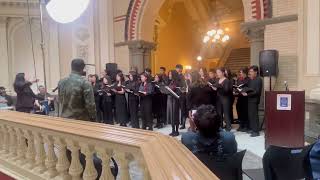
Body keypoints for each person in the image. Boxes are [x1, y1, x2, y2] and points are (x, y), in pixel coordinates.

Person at [242, 65, 263, 137]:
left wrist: (247, 94)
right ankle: (253, 129)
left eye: (251, 71)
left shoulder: (258, 79)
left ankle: (256, 131)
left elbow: (257, 92)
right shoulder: (251, 79)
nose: (250, 73)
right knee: (251, 115)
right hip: (250, 100)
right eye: (249, 71)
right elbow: (249, 88)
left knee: (254, 116)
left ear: (256, 72)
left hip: (254, 100)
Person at [166, 70, 181, 136]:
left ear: (174, 75)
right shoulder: (170, 82)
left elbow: (179, 92)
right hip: (170, 100)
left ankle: (176, 131)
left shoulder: (177, 82)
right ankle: (173, 130)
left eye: (170, 74)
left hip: (175, 100)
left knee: (175, 115)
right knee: (171, 115)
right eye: (169, 74)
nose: (169, 75)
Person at [235, 67, 250, 132]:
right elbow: (237, 87)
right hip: (240, 97)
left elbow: (249, 88)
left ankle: (246, 126)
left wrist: (243, 88)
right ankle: (241, 125)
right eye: (240, 72)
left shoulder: (248, 79)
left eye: (241, 72)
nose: (240, 74)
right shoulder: (239, 79)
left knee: (245, 112)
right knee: (239, 110)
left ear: (245, 73)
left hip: (246, 98)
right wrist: (236, 89)